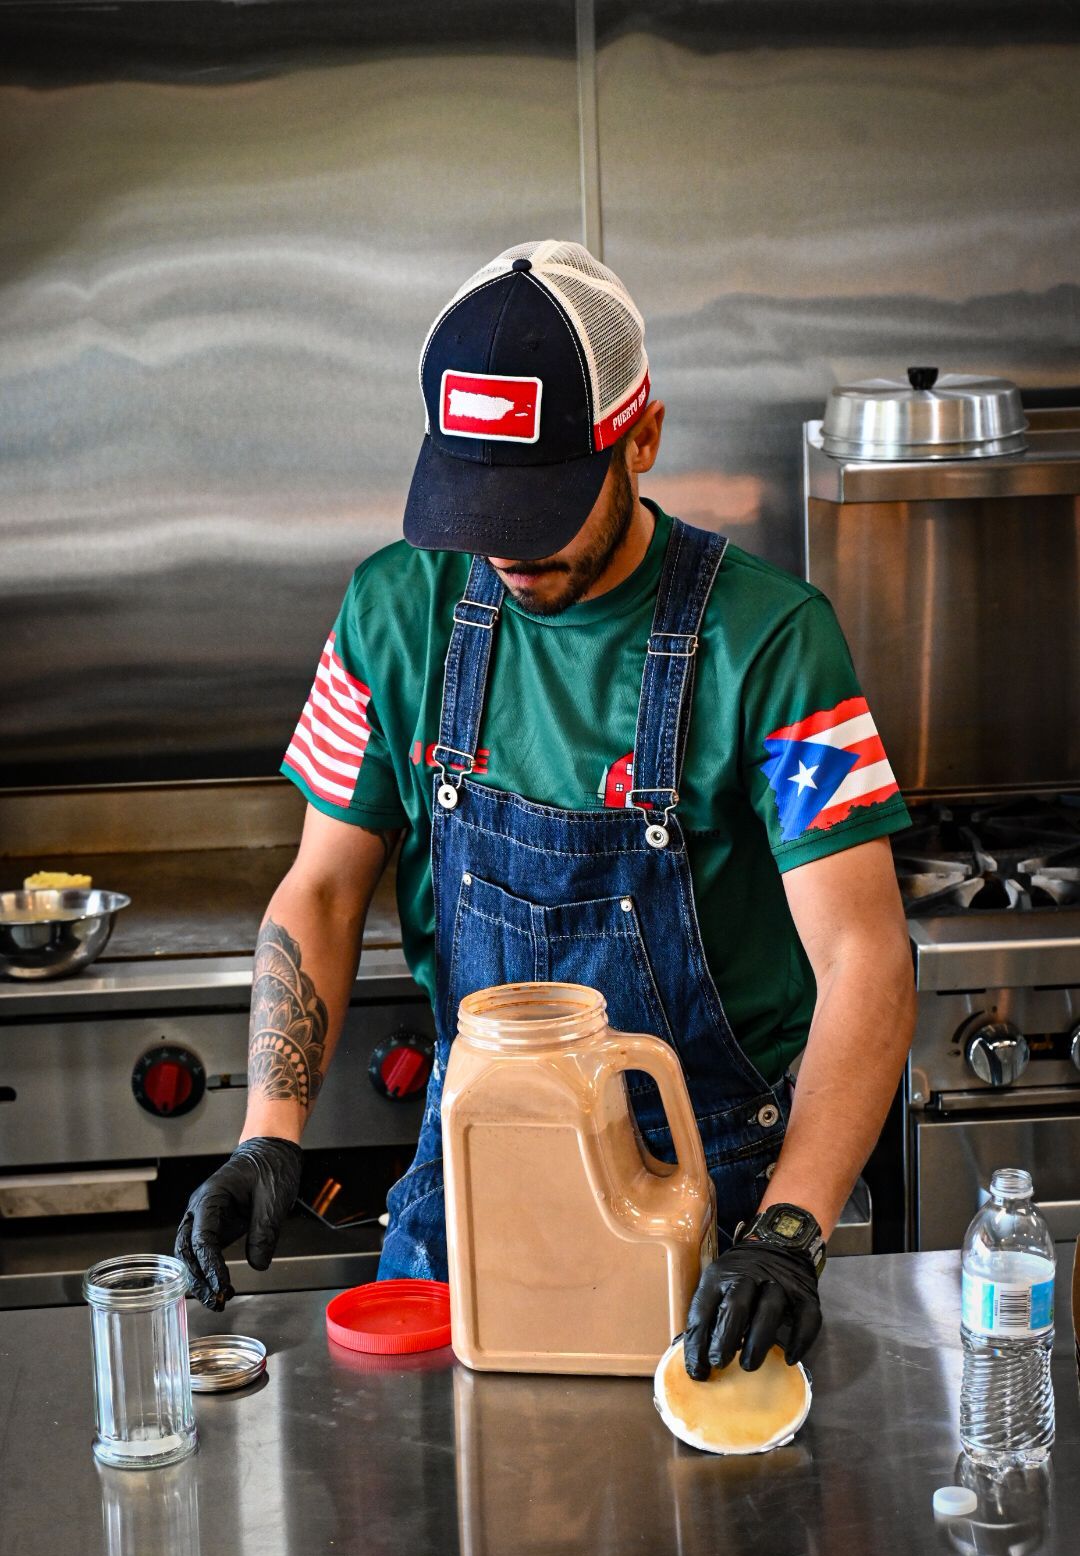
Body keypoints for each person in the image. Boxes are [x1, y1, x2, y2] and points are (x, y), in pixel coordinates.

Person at [176, 240, 917, 1378]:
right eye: (483, 503)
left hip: (716, 1203)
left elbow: (865, 953)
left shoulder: (774, 642)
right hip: (476, 1173)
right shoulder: (392, 609)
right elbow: (321, 888)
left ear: (645, 439)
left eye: (546, 501)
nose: (513, 546)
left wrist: (788, 1228)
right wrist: (268, 1134)